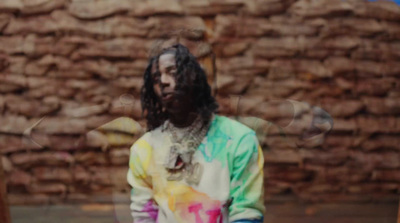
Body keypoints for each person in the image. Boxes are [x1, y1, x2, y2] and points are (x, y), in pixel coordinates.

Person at [127, 44, 265, 223]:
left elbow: (247, 213)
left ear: (194, 77)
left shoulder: (239, 140)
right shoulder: (143, 149)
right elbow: (143, 215)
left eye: (173, 71)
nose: (164, 81)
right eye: (156, 78)